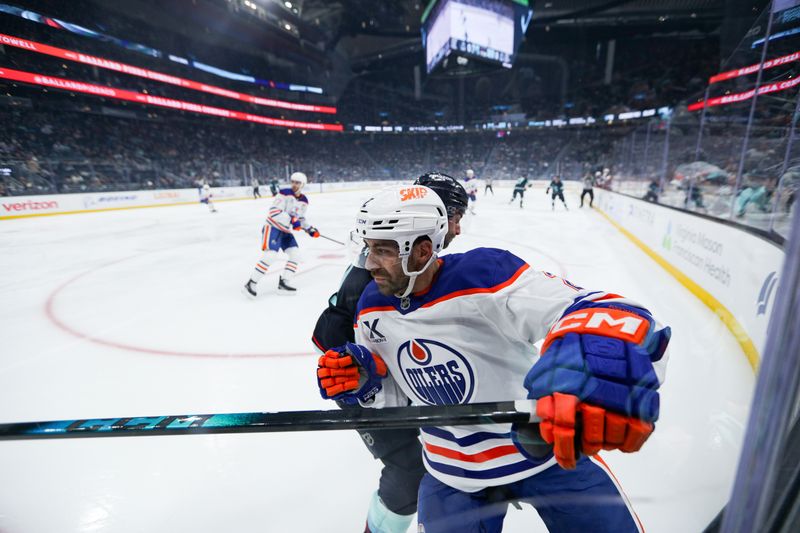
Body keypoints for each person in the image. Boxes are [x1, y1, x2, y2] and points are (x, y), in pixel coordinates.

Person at [317, 184, 671, 533]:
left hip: (545, 452)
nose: (370, 263)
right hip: (450, 473)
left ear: (423, 251)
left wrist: (591, 358)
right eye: (367, 248)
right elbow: (399, 400)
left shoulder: (485, 275)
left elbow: (601, 309)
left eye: (382, 250)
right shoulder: (370, 305)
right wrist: (368, 385)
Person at [312, 173, 468, 533]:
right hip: (359, 379)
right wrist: (358, 375)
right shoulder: (385, 274)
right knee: (410, 471)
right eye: (455, 217)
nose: (457, 229)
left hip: (390, 374)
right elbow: (342, 335)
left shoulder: (409, 259)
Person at [243, 172, 319, 297]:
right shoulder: (284, 193)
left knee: (295, 255)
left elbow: (300, 218)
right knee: (270, 256)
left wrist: (310, 229)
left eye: (297, 182)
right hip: (272, 227)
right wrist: (292, 220)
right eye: (293, 181)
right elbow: (273, 212)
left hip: (285, 231)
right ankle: (251, 283)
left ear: (303, 184)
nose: (294, 184)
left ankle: (284, 283)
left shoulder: (304, 201)